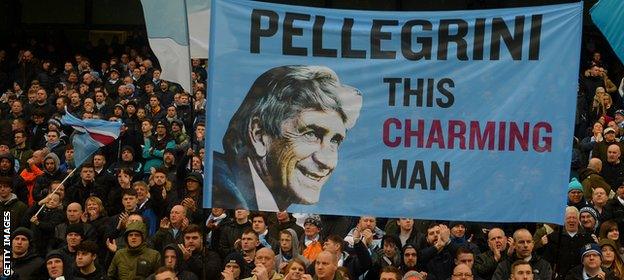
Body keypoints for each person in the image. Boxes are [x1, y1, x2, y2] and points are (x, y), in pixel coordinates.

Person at [212, 65, 363, 211]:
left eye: (335, 141)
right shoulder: (221, 191)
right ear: (258, 134)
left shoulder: (252, 197)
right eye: (311, 134)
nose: (326, 161)